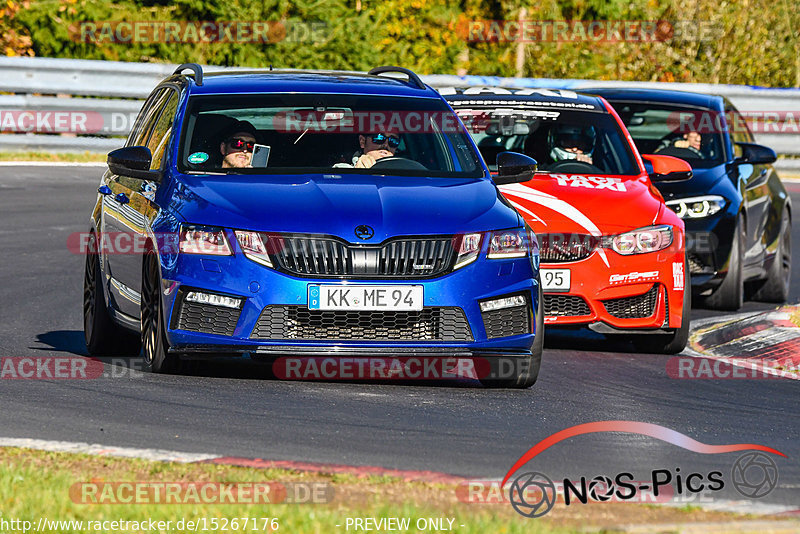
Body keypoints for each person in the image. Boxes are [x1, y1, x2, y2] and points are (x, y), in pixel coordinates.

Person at [335, 132, 401, 168]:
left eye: (393, 141)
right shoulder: (342, 170)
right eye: (379, 137)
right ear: (362, 141)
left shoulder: (408, 172)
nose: (386, 145)